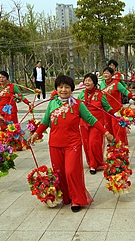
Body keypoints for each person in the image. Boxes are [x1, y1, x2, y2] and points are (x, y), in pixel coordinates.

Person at [29, 75, 114, 212]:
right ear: (56, 89)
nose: (63, 90)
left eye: (67, 87)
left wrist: (106, 133)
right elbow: (45, 122)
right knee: (60, 172)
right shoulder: (52, 103)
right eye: (60, 87)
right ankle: (66, 196)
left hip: (72, 144)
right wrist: (36, 134)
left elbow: (92, 120)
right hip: (55, 144)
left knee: (71, 172)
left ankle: (77, 199)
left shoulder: (78, 104)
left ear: (72, 89)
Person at [78, 73, 115, 174]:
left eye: (89, 80)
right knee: (86, 144)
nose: (87, 82)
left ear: (94, 83)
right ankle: (92, 163)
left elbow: (107, 107)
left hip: (97, 124)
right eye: (85, 80)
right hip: (83, 124)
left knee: (93, 143)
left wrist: (116, 114)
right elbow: (76, 107)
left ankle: (96, 164)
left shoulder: (100, 94)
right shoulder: (81, 94)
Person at [100, 67, 135, 146]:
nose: (105, 75)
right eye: (104, 73)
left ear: (112, 74)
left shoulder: (116, 83)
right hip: (106, 109)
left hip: (116, 109)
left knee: (116, 126)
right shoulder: (101, 84)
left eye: (107, 73)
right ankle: (112, 142)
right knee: (108, 126)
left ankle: (120, 143)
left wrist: (132, 96)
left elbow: (125, 91)